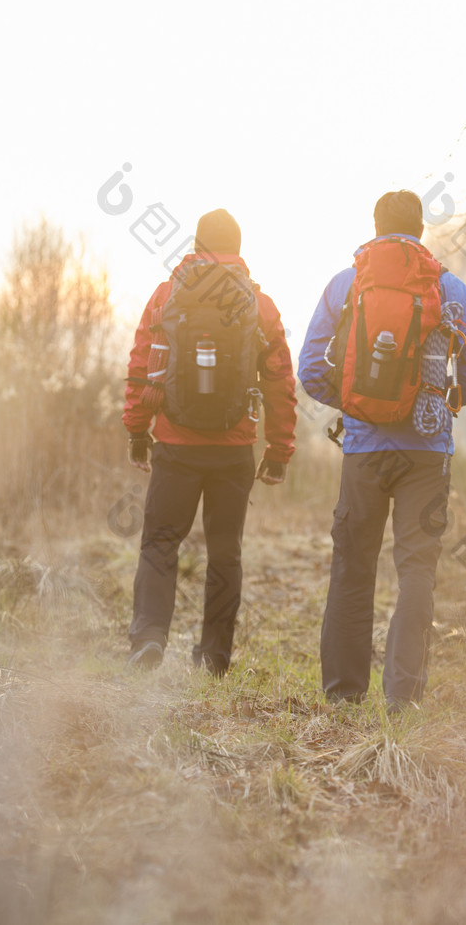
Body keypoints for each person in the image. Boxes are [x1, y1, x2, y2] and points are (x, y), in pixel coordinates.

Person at [298, 190, 466, 710]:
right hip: (427, 454)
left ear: (376, 225)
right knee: (416, 572)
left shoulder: (347, 283)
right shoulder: (448, 288)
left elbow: (309, 369)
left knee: (352, 567)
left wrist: (354, 403)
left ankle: (343, 695)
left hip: (364, 450)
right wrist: (443, 402)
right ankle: (402, 698)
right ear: (422, 230)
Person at [123, 209, 297, 672]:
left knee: (160, 540)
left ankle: (149, 638)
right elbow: (281, 382)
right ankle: (216, 656)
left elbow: (143, 367)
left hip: (176, 447)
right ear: (238, 251)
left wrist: (138, 430)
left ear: (196, 246)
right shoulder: (260, 306)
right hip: (234, 449)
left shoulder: (166, 296)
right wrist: (278, 450)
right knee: (225, 551)